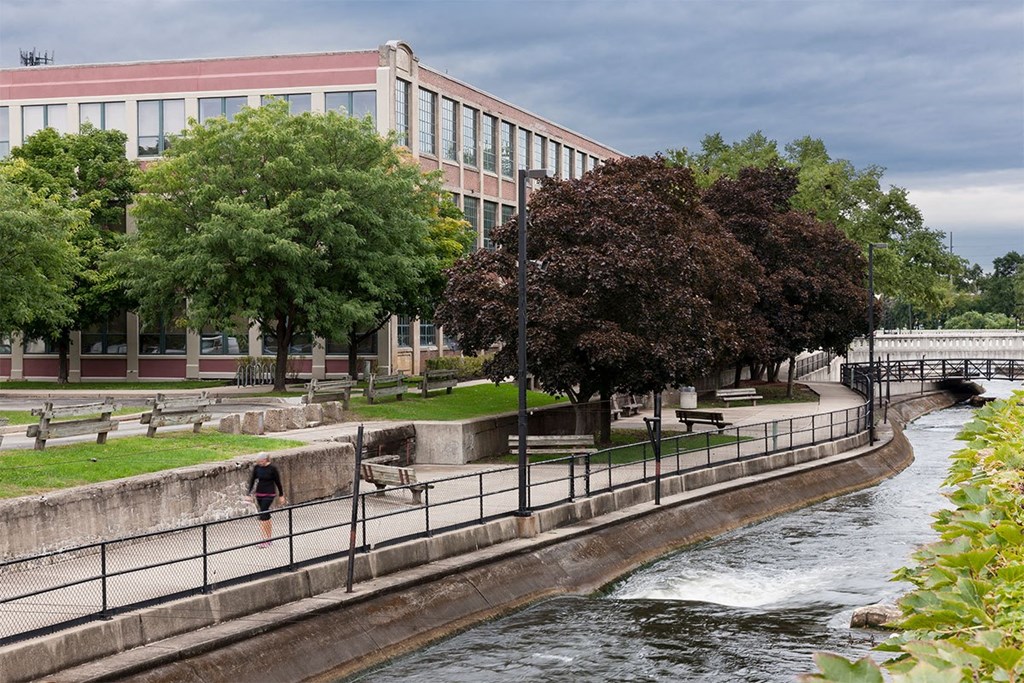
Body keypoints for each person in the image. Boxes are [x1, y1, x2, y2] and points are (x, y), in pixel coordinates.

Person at [248, 452, 286, 548]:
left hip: (269, 493)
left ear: (265, 460)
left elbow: (278, 482)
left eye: (261, 461)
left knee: (263, 514)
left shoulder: (272, 469)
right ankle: (269, 538)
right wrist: (249, 493)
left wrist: (281, 495)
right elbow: (252, 480)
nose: (260, 463)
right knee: (266, 515)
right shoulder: (257, 468)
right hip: (259, 493)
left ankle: (264, 539)